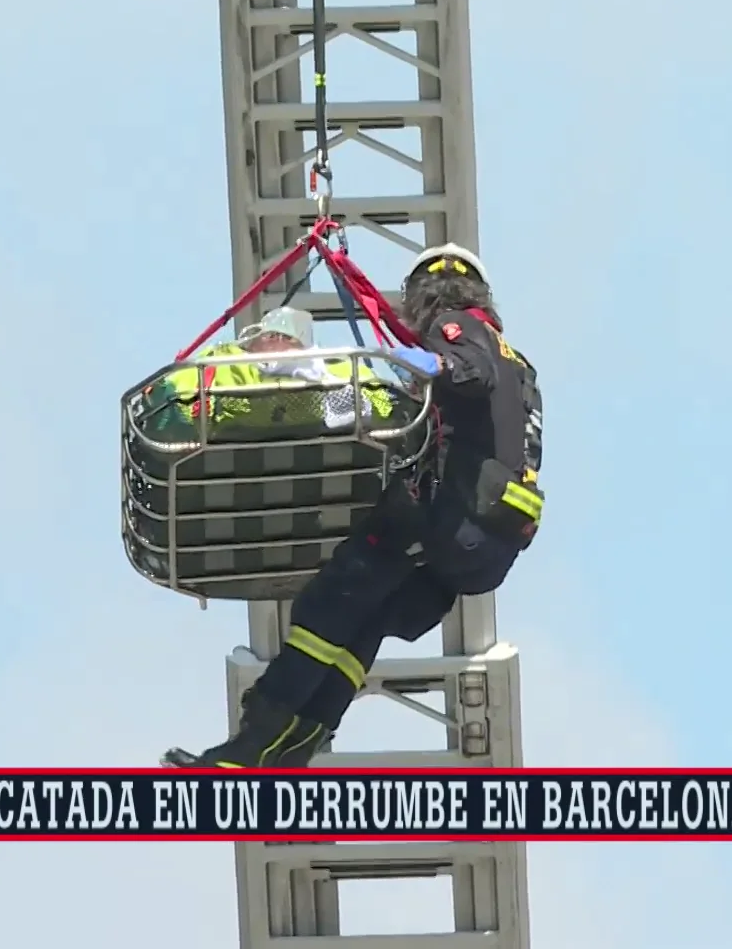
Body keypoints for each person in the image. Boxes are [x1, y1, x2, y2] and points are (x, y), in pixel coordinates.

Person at [165, 244, 544, 768]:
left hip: (453, 518)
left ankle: (253, 740)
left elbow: (467, 370)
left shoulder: (458, 327)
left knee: (328, 605)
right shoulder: (519, 364)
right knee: (363, 624)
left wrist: (435, 362)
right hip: (488, 551)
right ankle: (291, 752)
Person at [142, 306, 395, 434]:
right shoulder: (222, 364)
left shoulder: (337, 367)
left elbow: (385, 408)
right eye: (274, 335)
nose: (280, 341)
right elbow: (169, 404)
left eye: (287, 337)